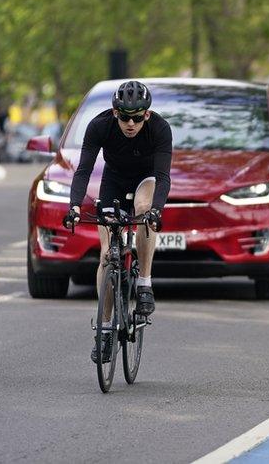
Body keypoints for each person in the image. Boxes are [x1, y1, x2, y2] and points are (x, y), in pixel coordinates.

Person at [62, 80, 172, 364]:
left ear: (147, 114)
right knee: (107, 256)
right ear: (114, 113)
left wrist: (157, 210)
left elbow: (162, 178)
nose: (131, 124)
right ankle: (105, 329)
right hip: (113, 181)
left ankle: (145, 282)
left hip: (145, 179)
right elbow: (84, 169)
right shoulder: (99, 126)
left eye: (137, 117)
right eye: (124, 117)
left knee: (144, 209)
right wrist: (74, 206)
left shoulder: (160, 129)